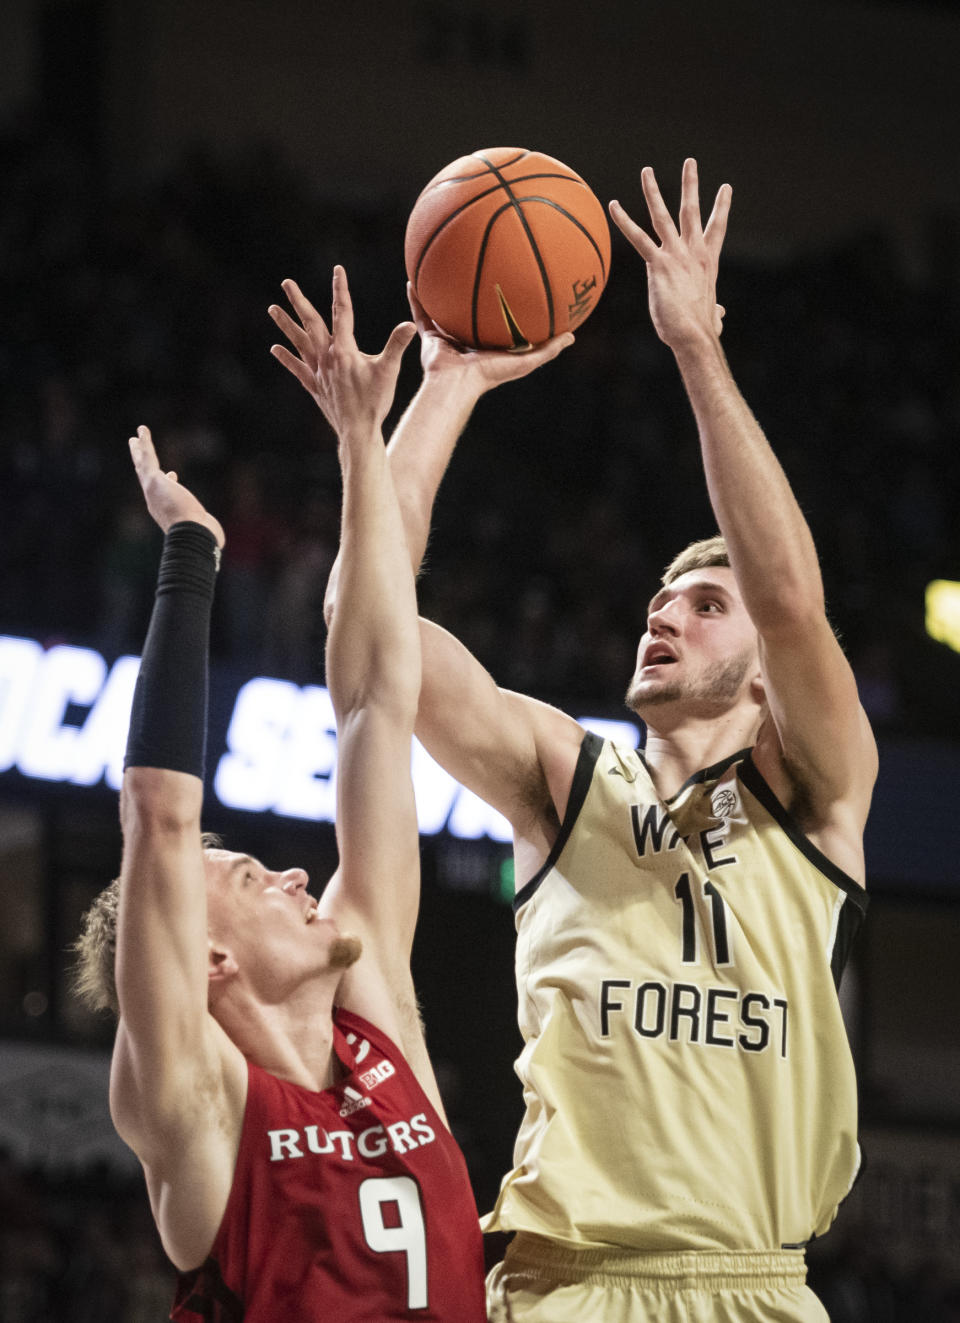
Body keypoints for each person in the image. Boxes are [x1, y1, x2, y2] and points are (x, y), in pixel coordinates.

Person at [276, 161, 877, 1323]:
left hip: (758, 1286)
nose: (664, 614)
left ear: (764, 677)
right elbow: (366, 633)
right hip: (568, 1288)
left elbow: (791, 601)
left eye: (705, 606)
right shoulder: (565, 778)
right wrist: (445, 388)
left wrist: (698, 349)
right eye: (659, 603)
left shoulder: (820, 796)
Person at [73, 268, 489, 1322]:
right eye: (252, 876)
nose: (301, 871)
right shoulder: (195, 1107)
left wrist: (366, 435)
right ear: (204, 960)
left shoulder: (377, 1018)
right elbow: (160, 816)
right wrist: (190, 557)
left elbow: (374, 705)